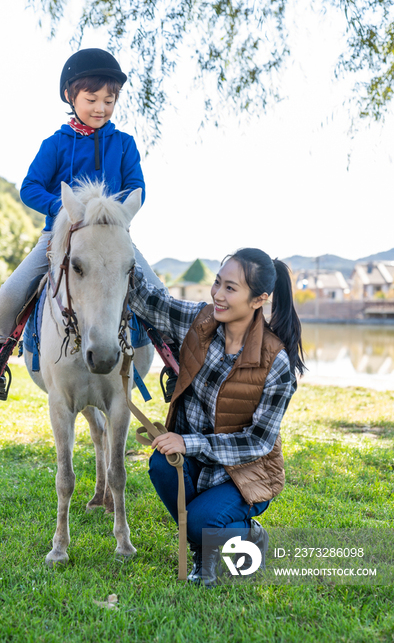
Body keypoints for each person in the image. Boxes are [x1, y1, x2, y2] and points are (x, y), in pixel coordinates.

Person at [0, 48, 158, 400]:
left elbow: (138, 188)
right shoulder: (56, 144)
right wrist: (64, 209)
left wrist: (112, 214)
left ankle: (174, 356)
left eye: (110, 99)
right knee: (12, 290)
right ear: (70, 96)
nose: (101, 107)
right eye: (92, 99)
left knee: (156, 287)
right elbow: (30, 188)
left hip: (111, 239)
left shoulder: (124, 144)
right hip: (58, 237)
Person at [128, 247, 305, 587]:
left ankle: (250, 536)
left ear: (259, 299)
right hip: (197, 458)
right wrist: (119, 248)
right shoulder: (200, 320)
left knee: (199, 522)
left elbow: (257, 442)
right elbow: (147, 302)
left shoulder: (277, 363)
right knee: (161, 466)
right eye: (217, 283)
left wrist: (188, 442)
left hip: (245, 471)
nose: (217, 296)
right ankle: (204, 550)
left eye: (230, 288)